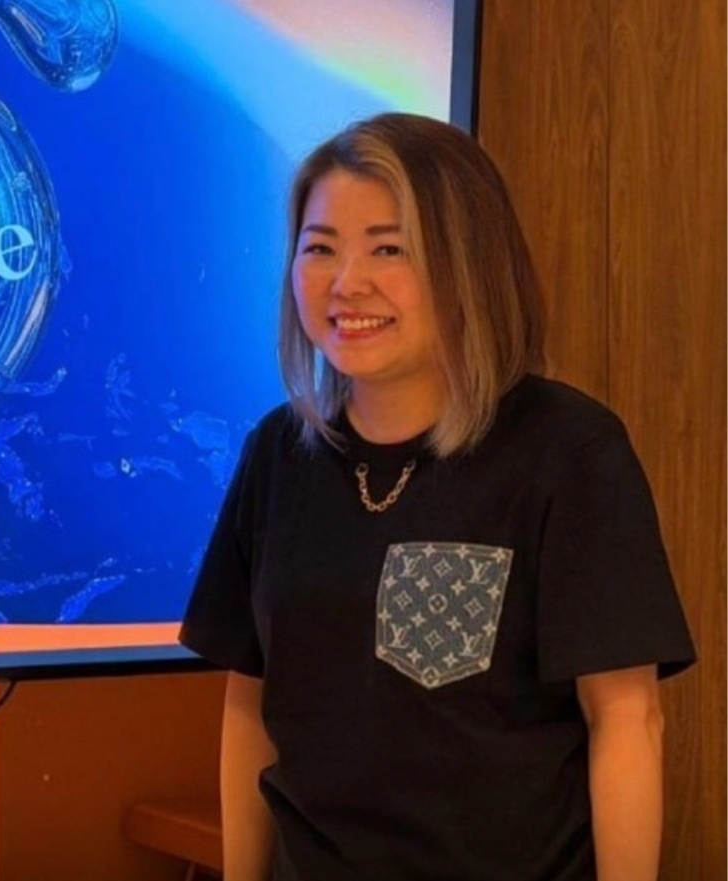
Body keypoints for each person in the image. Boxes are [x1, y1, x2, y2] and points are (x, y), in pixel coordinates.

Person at [180, 113, 696, 881]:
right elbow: (250, 703)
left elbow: (627, 719)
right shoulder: (278, 453)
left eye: (389, 248)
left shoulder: (568, 450)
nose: (347, 282)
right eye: (320, 247)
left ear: (469, 263)